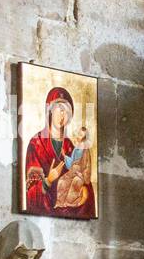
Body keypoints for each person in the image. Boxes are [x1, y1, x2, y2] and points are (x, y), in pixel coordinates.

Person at [24, 86, 95, 218]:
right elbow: (30, 193)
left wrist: (84, 190)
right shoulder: (36, 144)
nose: (63, 116)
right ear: (50, 111)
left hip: (69, 207)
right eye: (60, 110)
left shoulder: (70, 146)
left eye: (67, 112)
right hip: (46, 212)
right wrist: (48, 180)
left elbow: (81, 177)